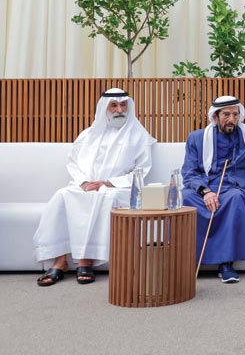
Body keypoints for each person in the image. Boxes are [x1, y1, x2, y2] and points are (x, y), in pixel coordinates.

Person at [34, 88, 156, 286]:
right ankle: (60, 260)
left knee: (105, 198)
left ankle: (86, 260)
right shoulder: (88, 134)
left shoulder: (139, 135)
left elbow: (141, 171)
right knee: (62, 195)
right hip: (86, 186)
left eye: (123, 105)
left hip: (118, 189)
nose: (119, 110)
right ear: (103, 109)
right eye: (114, 105)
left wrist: (108, 183)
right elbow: (72, 163)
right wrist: (83, 182)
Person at [181, 95, 245, 283]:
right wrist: (205, 192)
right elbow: (189, 173)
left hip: (235, 188)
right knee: (185, 198)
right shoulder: (197, 138)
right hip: (204, 189)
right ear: (215, 116)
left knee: (234, 199)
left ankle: (226, 264)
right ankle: (189, 262)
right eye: (226, 114)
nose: (232, 119)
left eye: (235, 114)